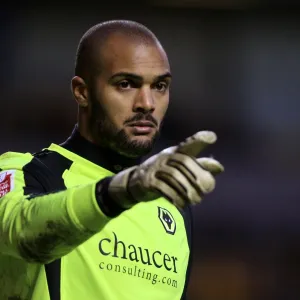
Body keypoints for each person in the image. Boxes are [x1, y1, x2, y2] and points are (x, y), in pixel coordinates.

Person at [0, 20, 224, 300]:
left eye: (160, 86)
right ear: (82, 92)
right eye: (126, 84)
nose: (147, 103)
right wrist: (118, 192)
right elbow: (19, 232)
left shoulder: (173, 208)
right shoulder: (27, 172)